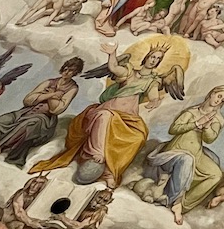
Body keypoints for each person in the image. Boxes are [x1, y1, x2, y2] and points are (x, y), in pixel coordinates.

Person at [31, 36, 188, 186]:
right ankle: (96, 153)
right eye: (153, 57)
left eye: (158, 59)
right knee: (103, 116)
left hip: (128, 117)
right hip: (109, 109)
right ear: (146, 57)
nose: (154, 60)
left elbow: (153, 94)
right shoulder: (129, 71)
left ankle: (111, 172)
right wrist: (112, 53)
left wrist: (155, 100)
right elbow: (113, 67)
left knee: (139, 137)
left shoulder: (153, 80)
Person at [133, 86, 224, 221]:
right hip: (176, 151)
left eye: (223, 99)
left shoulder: (218, 119)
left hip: (196, 153)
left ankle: (181, 205)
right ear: (211, 94)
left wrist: (207, 127)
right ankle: (171, 199)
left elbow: (210, 138)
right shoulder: (191, 112)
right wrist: (196, 123)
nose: (219, 101)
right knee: (186, 160)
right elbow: (174, 129)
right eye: (218, 96)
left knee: (216, 175)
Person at [0, 59, 84, 165]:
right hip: (25, 112)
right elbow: (27, 100)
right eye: (66, 69)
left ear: (75, 73)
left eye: (71, 71)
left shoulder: (72, 88)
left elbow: (57, 109)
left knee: (28, 125)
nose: (67, 72)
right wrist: (51, 95)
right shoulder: (49, 82)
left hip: (44, 120)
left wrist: (48, 98)